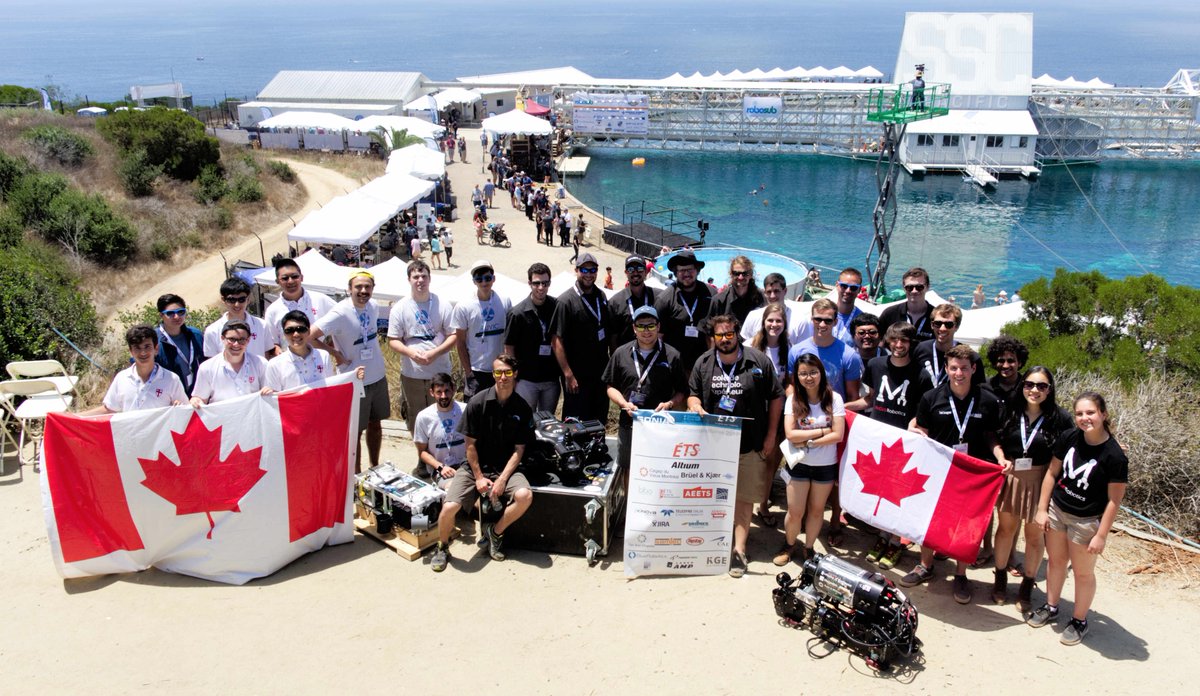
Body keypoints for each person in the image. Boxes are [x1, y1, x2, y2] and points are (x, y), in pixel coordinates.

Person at [901, 344, 1005, 604]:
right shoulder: (931, 398)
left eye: (964, 368)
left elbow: (991, 435)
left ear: (973, 369)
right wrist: (912, 431)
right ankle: (925, 565)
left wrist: (1001, 456)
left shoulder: (988, 401)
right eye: (954, 368)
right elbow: (921, 431)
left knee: (965, 524)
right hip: (937, 467)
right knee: (928, 517)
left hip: (971, 471)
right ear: (946, 369)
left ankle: (960, 574)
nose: (959, 373)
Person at [687, 314, 783, 578]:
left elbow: (776, 396)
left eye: (729, 334)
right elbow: (693, 393)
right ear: (713, 337)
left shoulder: (758, 361)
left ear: (737, 333)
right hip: (712, 447)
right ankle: (708, 544)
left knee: (742, 498)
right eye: (720, 335)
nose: (725, 340)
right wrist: (694, 404)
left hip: (750, 443)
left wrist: (771, 435)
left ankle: (739, 549)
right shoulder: (704, 363)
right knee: (711, 497)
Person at [1028, 392, 1127, 645]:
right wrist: (1042, 509)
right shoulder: (1069, 437)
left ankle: (1079, 620)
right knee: (1056, 562)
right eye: (1080, 413)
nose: (1085, 418)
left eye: (1091, 412)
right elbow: (1052, 473)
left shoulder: (1114, 455)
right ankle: (1051, 607)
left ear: (1103, 414)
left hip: (1085, 521)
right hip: (1058, 510)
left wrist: (1101, 535)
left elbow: (1114, 500)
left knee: (1083, 573)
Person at [429, 355, 534, 571]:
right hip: (474, 467)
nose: (502, 377)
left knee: (525, 496)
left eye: (507, 372)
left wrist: (503, 479)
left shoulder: (522, 407)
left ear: (515, 374)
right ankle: (442, 547)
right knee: (449, 507)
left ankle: (495, 532)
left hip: (505, 468)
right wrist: (478, 478)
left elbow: (519, 450)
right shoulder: (477, 402)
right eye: (497, 373)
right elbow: (470, 446)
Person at [992, 367, 1073, 610]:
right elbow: (993, 437)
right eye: (1029, 384)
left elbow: (1076, 443)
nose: (1034, 390)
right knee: (1006, 529)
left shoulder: (1060, 418)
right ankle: (1000, 578)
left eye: (1041, 386)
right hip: (1012, 477)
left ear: (1050, 390)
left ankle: (1027, 584)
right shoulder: (1009, 410)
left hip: (1042, 479)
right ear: (1022, 386)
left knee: (1034, 535)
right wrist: (1000, 456)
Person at [848, 321, 925, 568]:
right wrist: (841, 409)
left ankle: (895, 542)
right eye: (894, 340)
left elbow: (922, 411)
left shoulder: (920, 373)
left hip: (904, 442)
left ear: (911, 344)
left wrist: (914, 425)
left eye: (904, 341)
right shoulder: (875, 365)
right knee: (879, 492)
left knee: (897, 495)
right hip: (878, 437)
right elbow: (869, 399)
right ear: (887, 342)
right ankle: (882, 536)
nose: (899, 345)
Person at [310, 271, 390, 471]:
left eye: (367, 287)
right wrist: (335, 353)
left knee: (375, 424)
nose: (363, 291)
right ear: (349, 289)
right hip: (354, 380)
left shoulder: (372, 307)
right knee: (355, 431)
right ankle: (355, 475)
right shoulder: (340, 312)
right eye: (358, 287)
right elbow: (310, 335)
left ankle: (374, 466)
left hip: (377, 376)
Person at [774, 354, 846, 565]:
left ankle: (808, 548)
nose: (809, 377)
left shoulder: (835, 399)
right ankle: (789, 545)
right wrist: (824, 430)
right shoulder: (793, 399)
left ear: (821, 373)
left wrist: (809, 441)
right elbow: (790, 434)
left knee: (816, 511)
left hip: (825, 465)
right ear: (797, 376)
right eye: (803, 373)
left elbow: (838, 434)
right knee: (795, 512)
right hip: (798, 465)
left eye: (813, 372)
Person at [603, 306, 687, 474]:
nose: (646, 330)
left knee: (659, 470)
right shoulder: (621, 353)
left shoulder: (673, 355)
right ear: (634, 328)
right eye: (641, 326)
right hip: (630, 424)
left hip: (660, 425)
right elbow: (610, 386)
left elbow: (682, 391)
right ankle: (628, 501)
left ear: (658, 327)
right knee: (627, 469)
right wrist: (624, 403)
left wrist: (670, 403)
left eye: (651, 325)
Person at [387, 260, 456, 433]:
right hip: (412, 373)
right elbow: (393, 339)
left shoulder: (443, 304)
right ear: (409, 279)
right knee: (414, 415)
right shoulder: (400, 308)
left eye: (423, 276)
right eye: (416, 276)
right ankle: (421, 455)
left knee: (442, 413)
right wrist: (410, 352)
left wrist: (435, 352)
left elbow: (453, 335)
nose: (420, 280)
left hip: (439, 371)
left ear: (429, 279)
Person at [550, 253, 613, 421]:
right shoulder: (565, 301)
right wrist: (568, 374)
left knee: (598, 416)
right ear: (576, 270)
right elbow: (556, 340)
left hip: (600, 371)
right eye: (584, 269)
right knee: (575, 420)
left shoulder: (601, 296)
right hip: (577, 374)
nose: (589, 274)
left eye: (593, 270)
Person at [748, 301, 791, 528]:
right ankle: (746, 501)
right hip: (754, 412)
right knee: (750, 458)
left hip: (777, 413)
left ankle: (762, 504)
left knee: (771, 460)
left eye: (778, 321)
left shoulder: (789, 350)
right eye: (770, 320)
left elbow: (792, 382)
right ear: (763, 322)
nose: (774, 325)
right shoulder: (750, 347)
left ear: (784, 324)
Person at [83, 324, 186, 414]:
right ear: (131, 351)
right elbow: (108, 409)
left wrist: (180, 407)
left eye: (147, 347)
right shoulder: (122, 378)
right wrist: (74, 417)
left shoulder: (172, 379)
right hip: (130, 436)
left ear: (156, 349)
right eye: (137, 348)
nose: (143, 353)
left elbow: (186, 410)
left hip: (162, 436)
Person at [503, 263, 562, 412]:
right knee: (525, 421)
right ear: (529, 283)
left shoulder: (557, 307)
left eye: (545, 283)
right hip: (526, 379)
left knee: (548, 423)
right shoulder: (517, 313)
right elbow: (509, 347)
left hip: (551, 379)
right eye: (536, 283)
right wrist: (513, 377)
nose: (541, 287)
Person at [453, 260, 512, 399]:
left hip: (499, 369)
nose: (484, 282)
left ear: (494, 279)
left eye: (487, 278)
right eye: (479, 279)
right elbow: (460, 342)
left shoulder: (505, 301)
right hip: (476, 370)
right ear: (474, 281)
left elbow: (509, 337)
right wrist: (469, 373)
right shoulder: (463, 306)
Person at [263, 257, 336, 357]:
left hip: (320, 361)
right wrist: (277, 351)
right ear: (277, 281)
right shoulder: (272, 311)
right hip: (290, 364)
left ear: (301, 277)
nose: (290, 281)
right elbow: (272, 343)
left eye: (294, 276)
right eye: (285, 278)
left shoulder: (320, 299)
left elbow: (343, 317)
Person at [190, 321, 272, 407]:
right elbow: (201, 399)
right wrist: (196, 400)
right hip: (221, 419)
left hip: (253, 418)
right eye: (232, 339)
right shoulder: (207, 367)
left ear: (248, 340)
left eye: (242, 340)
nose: (236, 344)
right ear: (222, 338)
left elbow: (269, 393)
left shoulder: (261, 363)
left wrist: (269, 391)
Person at [660, 250, 714, 377]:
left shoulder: (711, 295)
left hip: (704, 365)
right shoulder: (665, 299)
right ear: (675, 273)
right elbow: (659, 336)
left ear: (697, 270)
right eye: (682, 271)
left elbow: (715, 332)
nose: (686, 274)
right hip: (674, 366)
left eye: (690, 270)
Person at [264, 310, 346, 391]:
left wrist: (356, 376)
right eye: (289, 330)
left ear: (309, 331)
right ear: (284, 334)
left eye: (301, 329)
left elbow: (330, 388)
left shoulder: (323, 356)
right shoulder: (274, 365)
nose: (296, 334)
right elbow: (275, 400)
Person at [413, 372, 467, 490]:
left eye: (447, 391)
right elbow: (422, 452)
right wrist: (440, 467)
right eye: (439, 392)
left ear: (453, 389)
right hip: (442, 469)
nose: (443, 396)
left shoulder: (465, 410)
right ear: (432, 393)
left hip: (466, 466)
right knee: (454, 489)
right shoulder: (424, 417)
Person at [912, 303, 986, 390]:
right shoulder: (920, 349)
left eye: (948, 324)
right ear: (932, 325)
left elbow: (979, 389)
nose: (942, 328)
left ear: (956, 327)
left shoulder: (971, 356)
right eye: (938, 324)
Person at [202, 277, 270, 360]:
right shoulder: (212, 331)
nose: (237, 304)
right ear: (223, 300)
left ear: (248, 300)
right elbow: (211, 363)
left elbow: (267, 356)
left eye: (241, 299)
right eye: (231, 300)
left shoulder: (262, 325)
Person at [740, 273, 812, 347]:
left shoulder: (800, 321)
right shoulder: (753, 316)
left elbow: (803, 350)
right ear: (764, 293)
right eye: (769, 292)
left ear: (785, 291)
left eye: (776, 291)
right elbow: (746, 347)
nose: (772, 296)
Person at [154, 293, 205, 397]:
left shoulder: (196, 335)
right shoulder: (153, 340)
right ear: (161, 315)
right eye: (170, 313)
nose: (177, 317)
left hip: (197, 395)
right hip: (169, 398)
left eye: (181, 312)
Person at [608, 255, 660, 346]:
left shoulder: (659, 297)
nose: (635, 273)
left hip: (654, 356)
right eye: (631, 269)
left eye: (639, 269)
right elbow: (613, 337)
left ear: (646, 272)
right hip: (627, 357)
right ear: (626, 272)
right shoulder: (615, 302)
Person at [878, 267, 935, 342]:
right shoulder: (889, 314)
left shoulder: (936, 316)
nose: (914, 291)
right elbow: (879, 342)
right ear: (904, 288)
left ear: (927, 287)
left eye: (919, 287)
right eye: (909, 287)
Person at [708, 255, 765, 326]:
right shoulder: (719, 301)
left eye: (745, 274)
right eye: (736, 273)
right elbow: (709, 329)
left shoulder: (762, 298)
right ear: (731, 274)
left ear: (750, 275)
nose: (740, 277)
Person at [986, 335, 1030, 414]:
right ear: (995, 363)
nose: (1005, 365)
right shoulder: (985, 388)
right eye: (1001, 361)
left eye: (1010, 361)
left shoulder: (1028, 388)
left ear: (1019, 362)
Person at [832, 268, 865, 347]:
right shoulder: (823, 315)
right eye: (844, 286)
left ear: (859, 289)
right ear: (837, 285)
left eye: (853, 288)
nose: (848, 291)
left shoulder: (862, 320)